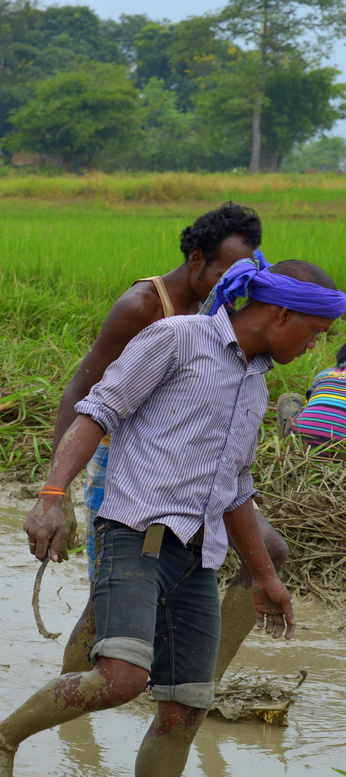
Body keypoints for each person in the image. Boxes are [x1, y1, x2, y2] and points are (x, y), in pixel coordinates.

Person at [0, 259, 340, 777]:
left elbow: (235, 490)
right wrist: (52, 496)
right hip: (135, 535)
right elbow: (98, 412)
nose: (314, 348)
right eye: (315, 334)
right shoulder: (177, 339)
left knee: (184, 711)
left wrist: (265, 577)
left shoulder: (255, 384)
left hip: (199, 556)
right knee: (122, 679)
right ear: (282, 313)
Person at [49, 203, 281, 679]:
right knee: (106, 599)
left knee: (270, 550)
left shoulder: (231, 313)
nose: (239, 285)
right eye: (227, 272)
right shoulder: (147, 306)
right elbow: (83, 391)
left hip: (200, 466)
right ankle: (72, 699)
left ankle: (200, 679)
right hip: (133, 463)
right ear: (196, 259)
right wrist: (60, 492)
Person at [277, 342, 346, 455]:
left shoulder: (325, 374)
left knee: (289, 398)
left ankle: (287, 452)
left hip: (302, 442)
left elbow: (311, 402)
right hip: (342, 450)